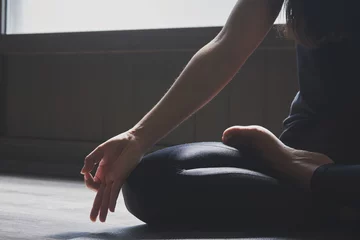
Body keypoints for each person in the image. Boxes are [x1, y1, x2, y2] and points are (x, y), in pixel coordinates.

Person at [80, 0, 360, 227]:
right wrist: (137, 137)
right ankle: (324, 188)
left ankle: (321, 182)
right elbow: (226, 46)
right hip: (309, 143)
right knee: (150, 183)